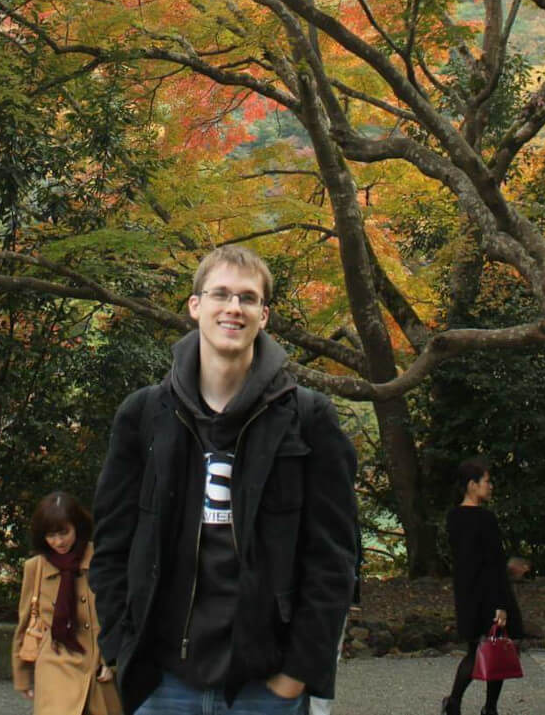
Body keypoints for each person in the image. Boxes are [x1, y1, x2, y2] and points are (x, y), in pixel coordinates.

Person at [91, 244, 361, 715]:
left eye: (248, 298)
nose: (233, 307)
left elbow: (334, 558)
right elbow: (112, 543)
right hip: (164, 683)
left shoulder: (308, 418)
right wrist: (119, 645)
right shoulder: (145, 415)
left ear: (264, 315)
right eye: (220, 294)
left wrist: (296, 675)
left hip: (265, 685)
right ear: (196, 306)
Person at [11, 492, 121, 715]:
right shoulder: (36, 567)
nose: (58, 542)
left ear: (77, 527)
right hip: (55, 660)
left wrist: (113, 661)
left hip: (97, 663)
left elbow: (118, 612)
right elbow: (25, 622)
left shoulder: (101, 558)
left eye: (64, 533)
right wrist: (22, 675)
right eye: (51, 535)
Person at [443, 457, 523, 715]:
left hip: (467, 592)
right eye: (486, 481)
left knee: (473, 651)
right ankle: (489, 709)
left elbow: (468, 560)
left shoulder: (453, 517)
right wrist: (500, 603)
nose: (491, 486)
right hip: (490, 591)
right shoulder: (485, 519)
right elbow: (491, 562)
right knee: (496, 646)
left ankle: (453, 703)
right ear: (472, 485)